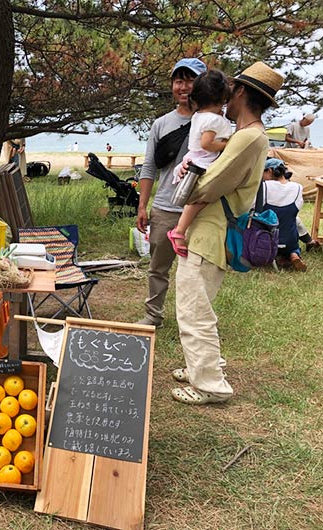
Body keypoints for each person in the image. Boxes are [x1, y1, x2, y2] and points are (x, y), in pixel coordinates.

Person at [171, 61, 283, 405]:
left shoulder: (248, 137)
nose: (226, 97)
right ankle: (200, 367)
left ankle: (209, 385)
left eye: (232, 90)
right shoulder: (247, 136)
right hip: (212, 230)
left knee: (193, 309)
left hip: (211, 231)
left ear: (242, 93)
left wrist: (187, 182)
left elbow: (211, 184)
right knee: (198, 304)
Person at [135, 57, 207, 328]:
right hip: (165, 207)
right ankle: (153, 316)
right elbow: (149, 167)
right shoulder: (161, 124)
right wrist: (143, 206)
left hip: (201, 208)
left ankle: (194, 320)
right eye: (179, 80)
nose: (184, 86)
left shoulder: (211, 122)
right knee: (158, 268)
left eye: (191, 80)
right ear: (172, 85)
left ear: (202, 84)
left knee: (197, 270)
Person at [167, 69, 232, 256]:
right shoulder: (214, 119)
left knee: (194, 199)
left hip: (192, 157)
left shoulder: (198, 115)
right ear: (222, 98)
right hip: (203, 161)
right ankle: (179, 231)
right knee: (199, 200)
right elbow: (207, 143)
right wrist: (226, 145)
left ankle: (182, 229)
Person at [261, 158, 306, 271]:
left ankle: (278, 257)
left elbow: (253, 209)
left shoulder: (264, 187)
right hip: (289, 240)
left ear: (270, 171)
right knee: (291, 225)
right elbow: (297, 209)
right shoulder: (297, 187)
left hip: (267, 240)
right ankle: (293, 255)